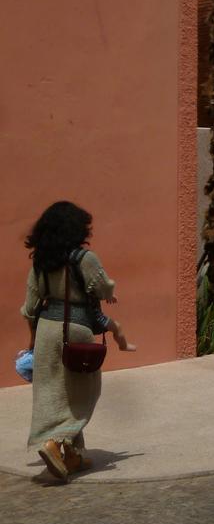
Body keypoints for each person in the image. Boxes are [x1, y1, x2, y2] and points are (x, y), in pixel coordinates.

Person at [20, 201, 130, 480]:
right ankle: (56, 442)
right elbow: (104, 287)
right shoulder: (85, 259)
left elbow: (30, 307)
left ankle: (72, 456)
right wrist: (109, 289)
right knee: (84, 391)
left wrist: (32, 341)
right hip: (76, 328)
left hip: (46, 330)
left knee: (53, 392)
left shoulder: (41, 261)